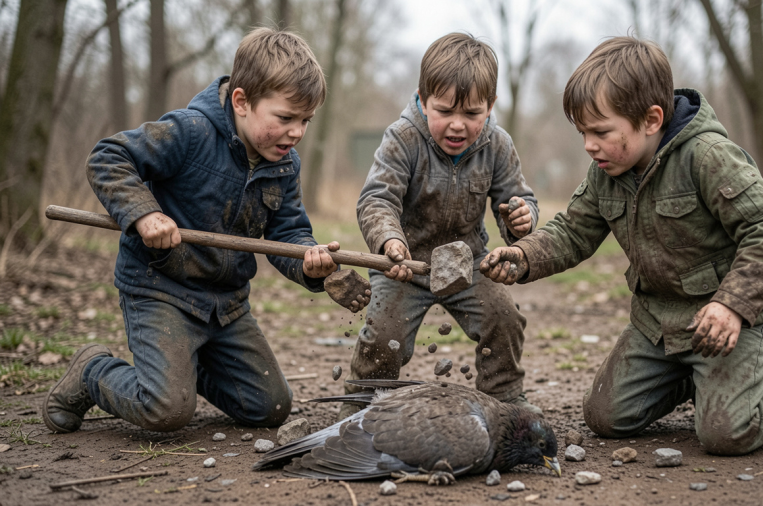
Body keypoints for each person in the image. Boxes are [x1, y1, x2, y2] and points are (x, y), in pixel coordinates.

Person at [480, 36, 763, 454]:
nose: (588, 145)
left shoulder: (707, 156)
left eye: (600, 131)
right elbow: (572, 232)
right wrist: (524, 255)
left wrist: (732, 305)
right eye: (582, 132)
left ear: (652, 119)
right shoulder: (606, 171)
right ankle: (699, 381)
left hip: (726, 324)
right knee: (605, 416)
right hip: (659, 324)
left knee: (727, 434)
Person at [43, 28, 368, 434]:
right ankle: (92, 370)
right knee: (165, 411)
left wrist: (309, 262)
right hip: (161, 289)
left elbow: (288, 232)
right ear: (242, 101)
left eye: (305, 120)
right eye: (285, 118)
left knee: (270, 407)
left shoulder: (286, 164)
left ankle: (180, 371)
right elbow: (109, 157)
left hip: (226, 305)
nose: (297, 131)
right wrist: (144, 215)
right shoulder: (190, 131)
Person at [341, 32, 540, 420]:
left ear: (491, 106)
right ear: (422, 98)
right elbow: (377, 198)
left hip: (469, 263)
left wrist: (522, 218)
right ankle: (367, 401)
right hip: (404, 263)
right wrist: (389, 241)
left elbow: (518, 198)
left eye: (471, 114)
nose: (457, 125)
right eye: (445, 110)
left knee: (504, 318)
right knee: (384, 333)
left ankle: (505, 398)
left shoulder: (497, 145)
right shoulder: (403, 138)